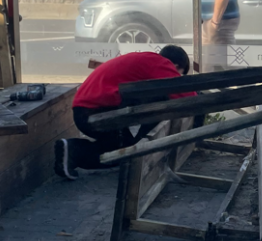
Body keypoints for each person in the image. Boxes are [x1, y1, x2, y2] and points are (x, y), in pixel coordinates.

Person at [55, 45, 193, 179]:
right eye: (178, 73)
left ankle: (71, 152)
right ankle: (73, 152)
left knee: (124, 145)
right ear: (174, 66)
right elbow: (182, 93)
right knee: (124, 153)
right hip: (93, 111)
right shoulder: (159, 63)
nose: (176, 75)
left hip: (87, 109)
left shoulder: (145, 61)